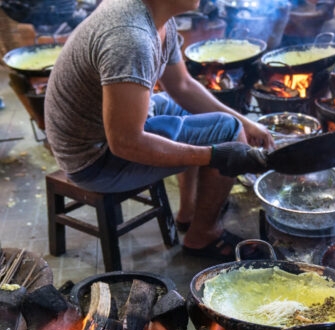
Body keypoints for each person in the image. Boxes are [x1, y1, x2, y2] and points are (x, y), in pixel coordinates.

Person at [44, 0, 274, 261]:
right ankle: (203, 235)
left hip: (99, 136)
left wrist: (245, 122)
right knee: (227, 132)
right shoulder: (131, 38)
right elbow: (125, 142)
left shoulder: (157, 16)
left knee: (216, 120)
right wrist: (215, 155)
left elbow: (182, 86)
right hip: (92, 160)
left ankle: (188, 213)